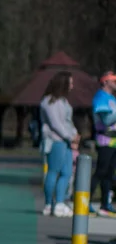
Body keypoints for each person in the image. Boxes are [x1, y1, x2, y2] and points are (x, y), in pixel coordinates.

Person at [40, 70, 79, 217]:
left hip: (66, 142)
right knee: (53, 171)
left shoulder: (64, 101)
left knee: (67, 173)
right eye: (70, 83)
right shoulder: (49, 102)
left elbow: (68, 121)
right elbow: (56, 124)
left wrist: (74, 134)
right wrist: (70, 136)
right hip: (55, 141)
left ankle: (60, 203)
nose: (72, 86)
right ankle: (49, 204)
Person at [92, 70, 116, 216]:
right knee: (100, 172)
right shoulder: (100, 97)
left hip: (114, 141)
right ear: (105, 81)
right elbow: (106, 120)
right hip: (104, 140)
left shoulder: (112, 98)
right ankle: (85, 201)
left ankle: (105, 205)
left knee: (109, 174)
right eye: (114, 81)